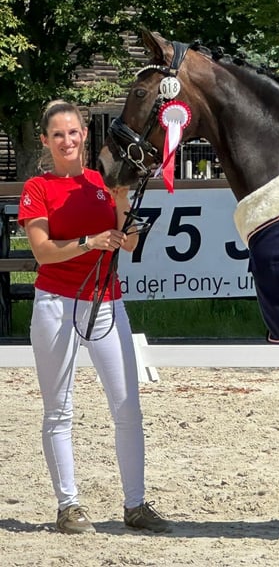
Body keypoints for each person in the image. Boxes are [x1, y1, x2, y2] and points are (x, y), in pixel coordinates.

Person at [17, 100, 169, 534]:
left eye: (73, 132)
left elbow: (129, 242)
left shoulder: (105, 182)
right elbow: (43, 252)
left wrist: (122, 207)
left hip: (106, 302)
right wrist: (90, 241)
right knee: (58, 410)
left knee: (127, 407)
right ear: (46, 141)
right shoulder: (38, 187)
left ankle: (135, 504)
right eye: (58, 134)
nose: (67, 140)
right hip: (55, 304)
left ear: (84, 134)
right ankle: (68, 505)